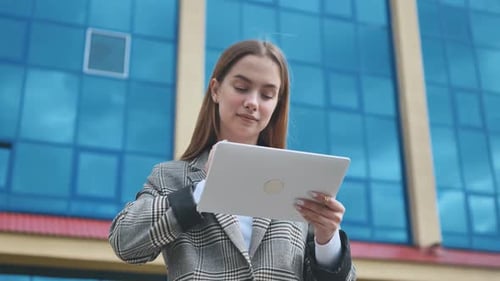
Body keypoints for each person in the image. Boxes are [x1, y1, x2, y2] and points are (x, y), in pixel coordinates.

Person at [109, 40, 356, 281]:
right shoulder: (171, 177)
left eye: (267, 95)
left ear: (277, 105)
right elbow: (124, 243)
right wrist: (203, 190)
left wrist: (327, 240)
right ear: (216, 90)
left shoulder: (298, 182)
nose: (252, 102)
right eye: (241, 88)